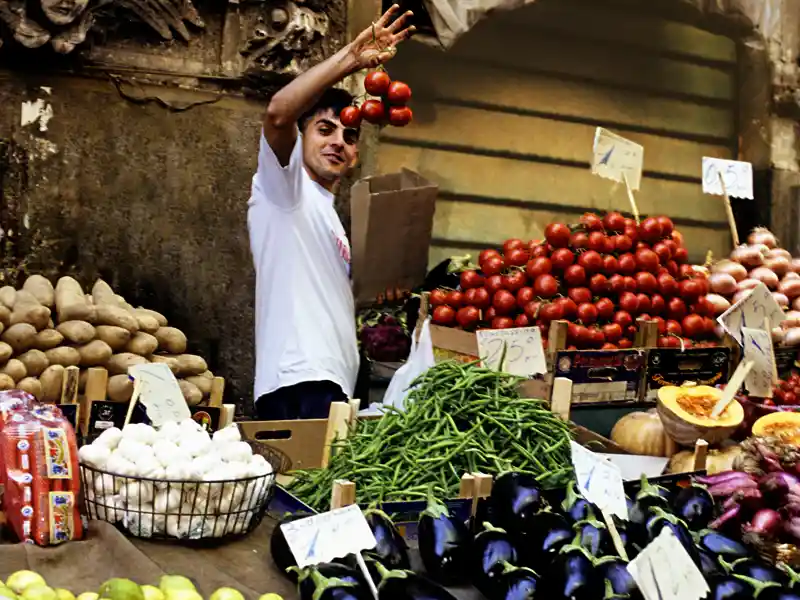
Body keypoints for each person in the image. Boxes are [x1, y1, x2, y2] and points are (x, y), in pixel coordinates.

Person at [248, 5, 415, 421]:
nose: (338, 142)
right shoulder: (283, 189)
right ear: (301, 135)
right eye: (325, 130)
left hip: (332, 385)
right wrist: (350, 59)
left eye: (349, 135)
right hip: (298, 383)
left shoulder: (331, 217)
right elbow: (277, 112)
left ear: (357, 154)